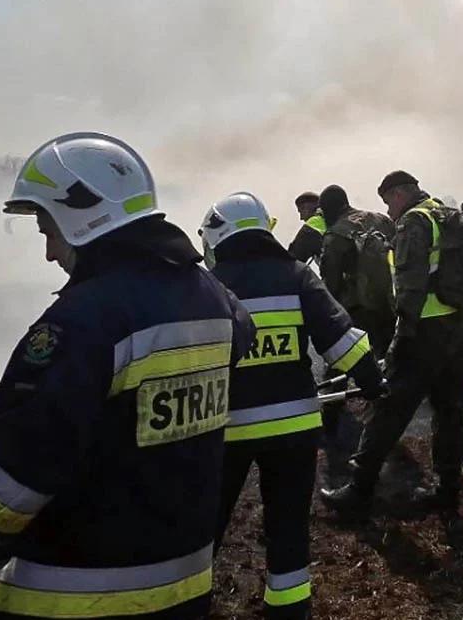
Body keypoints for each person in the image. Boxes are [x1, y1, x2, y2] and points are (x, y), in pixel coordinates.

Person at [0, 132, 255, 620]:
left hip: (75, 593)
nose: (49, 252)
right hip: (186, 584)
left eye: (48, 230)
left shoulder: (84, 320)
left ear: (80, 217)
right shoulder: (212, 296)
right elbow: (240, 337)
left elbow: (27, 465)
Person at [201, 192, 384, 619]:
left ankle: (191, 600)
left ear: (218, 236)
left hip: (224, 431)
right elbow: (341, 341)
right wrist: (373, 382)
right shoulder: (297, 276)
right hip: (293, 431)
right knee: (287, 526)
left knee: (205, 526)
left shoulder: (205, 285)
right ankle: (288, 608)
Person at [320, 171, 463, 528]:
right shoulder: (448, 214)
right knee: (450, 411)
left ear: (401, 192)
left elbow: (409, 287)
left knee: (388, 408)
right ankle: (448, 489)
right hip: (459, 329)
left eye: (389, 200)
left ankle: (359, 489)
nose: (389, 211)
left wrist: (399, 337)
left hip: (422, 332)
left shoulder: (414, 222)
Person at [317, 184, 396, 445]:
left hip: (354, 311)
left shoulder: (336, 234)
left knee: (339, 364)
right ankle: (387, 417)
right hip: (387, 304)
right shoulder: (380, 220)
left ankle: (330, 423)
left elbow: (330, 283)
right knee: (387, 361)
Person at [287, 191, 325, 263]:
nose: (301, 218)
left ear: (307, 207)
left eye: (301, 211)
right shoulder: (339, 220)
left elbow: (293, 258)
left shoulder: (313, 225)